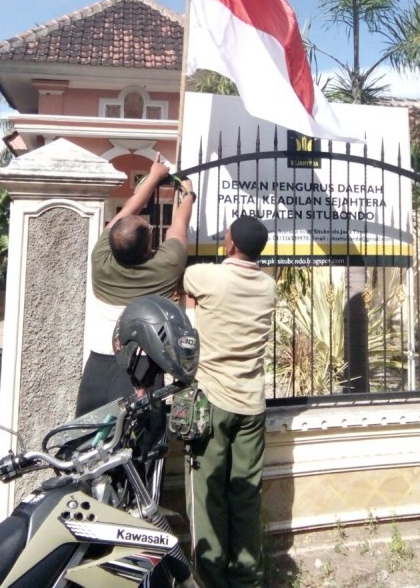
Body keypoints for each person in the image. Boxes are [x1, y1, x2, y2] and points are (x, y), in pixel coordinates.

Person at [182, 215, 277, 588]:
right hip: (252, 403)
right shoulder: (268, 286)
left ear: (232, 244)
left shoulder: (208, 276)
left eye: (226, 236)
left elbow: (183, 280)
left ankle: (210, 578)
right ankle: (248, 577)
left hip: (213, 400)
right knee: (245, 493)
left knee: (208, 494)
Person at [76, 154, 196, 416]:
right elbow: (179, 226)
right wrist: (187, 193)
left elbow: (128, 209)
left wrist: (152, 176)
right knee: (141, 447)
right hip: (143, 368)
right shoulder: (165, 267)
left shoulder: (100, 259)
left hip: (99, 364)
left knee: (87, 440)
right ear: (148, 246)